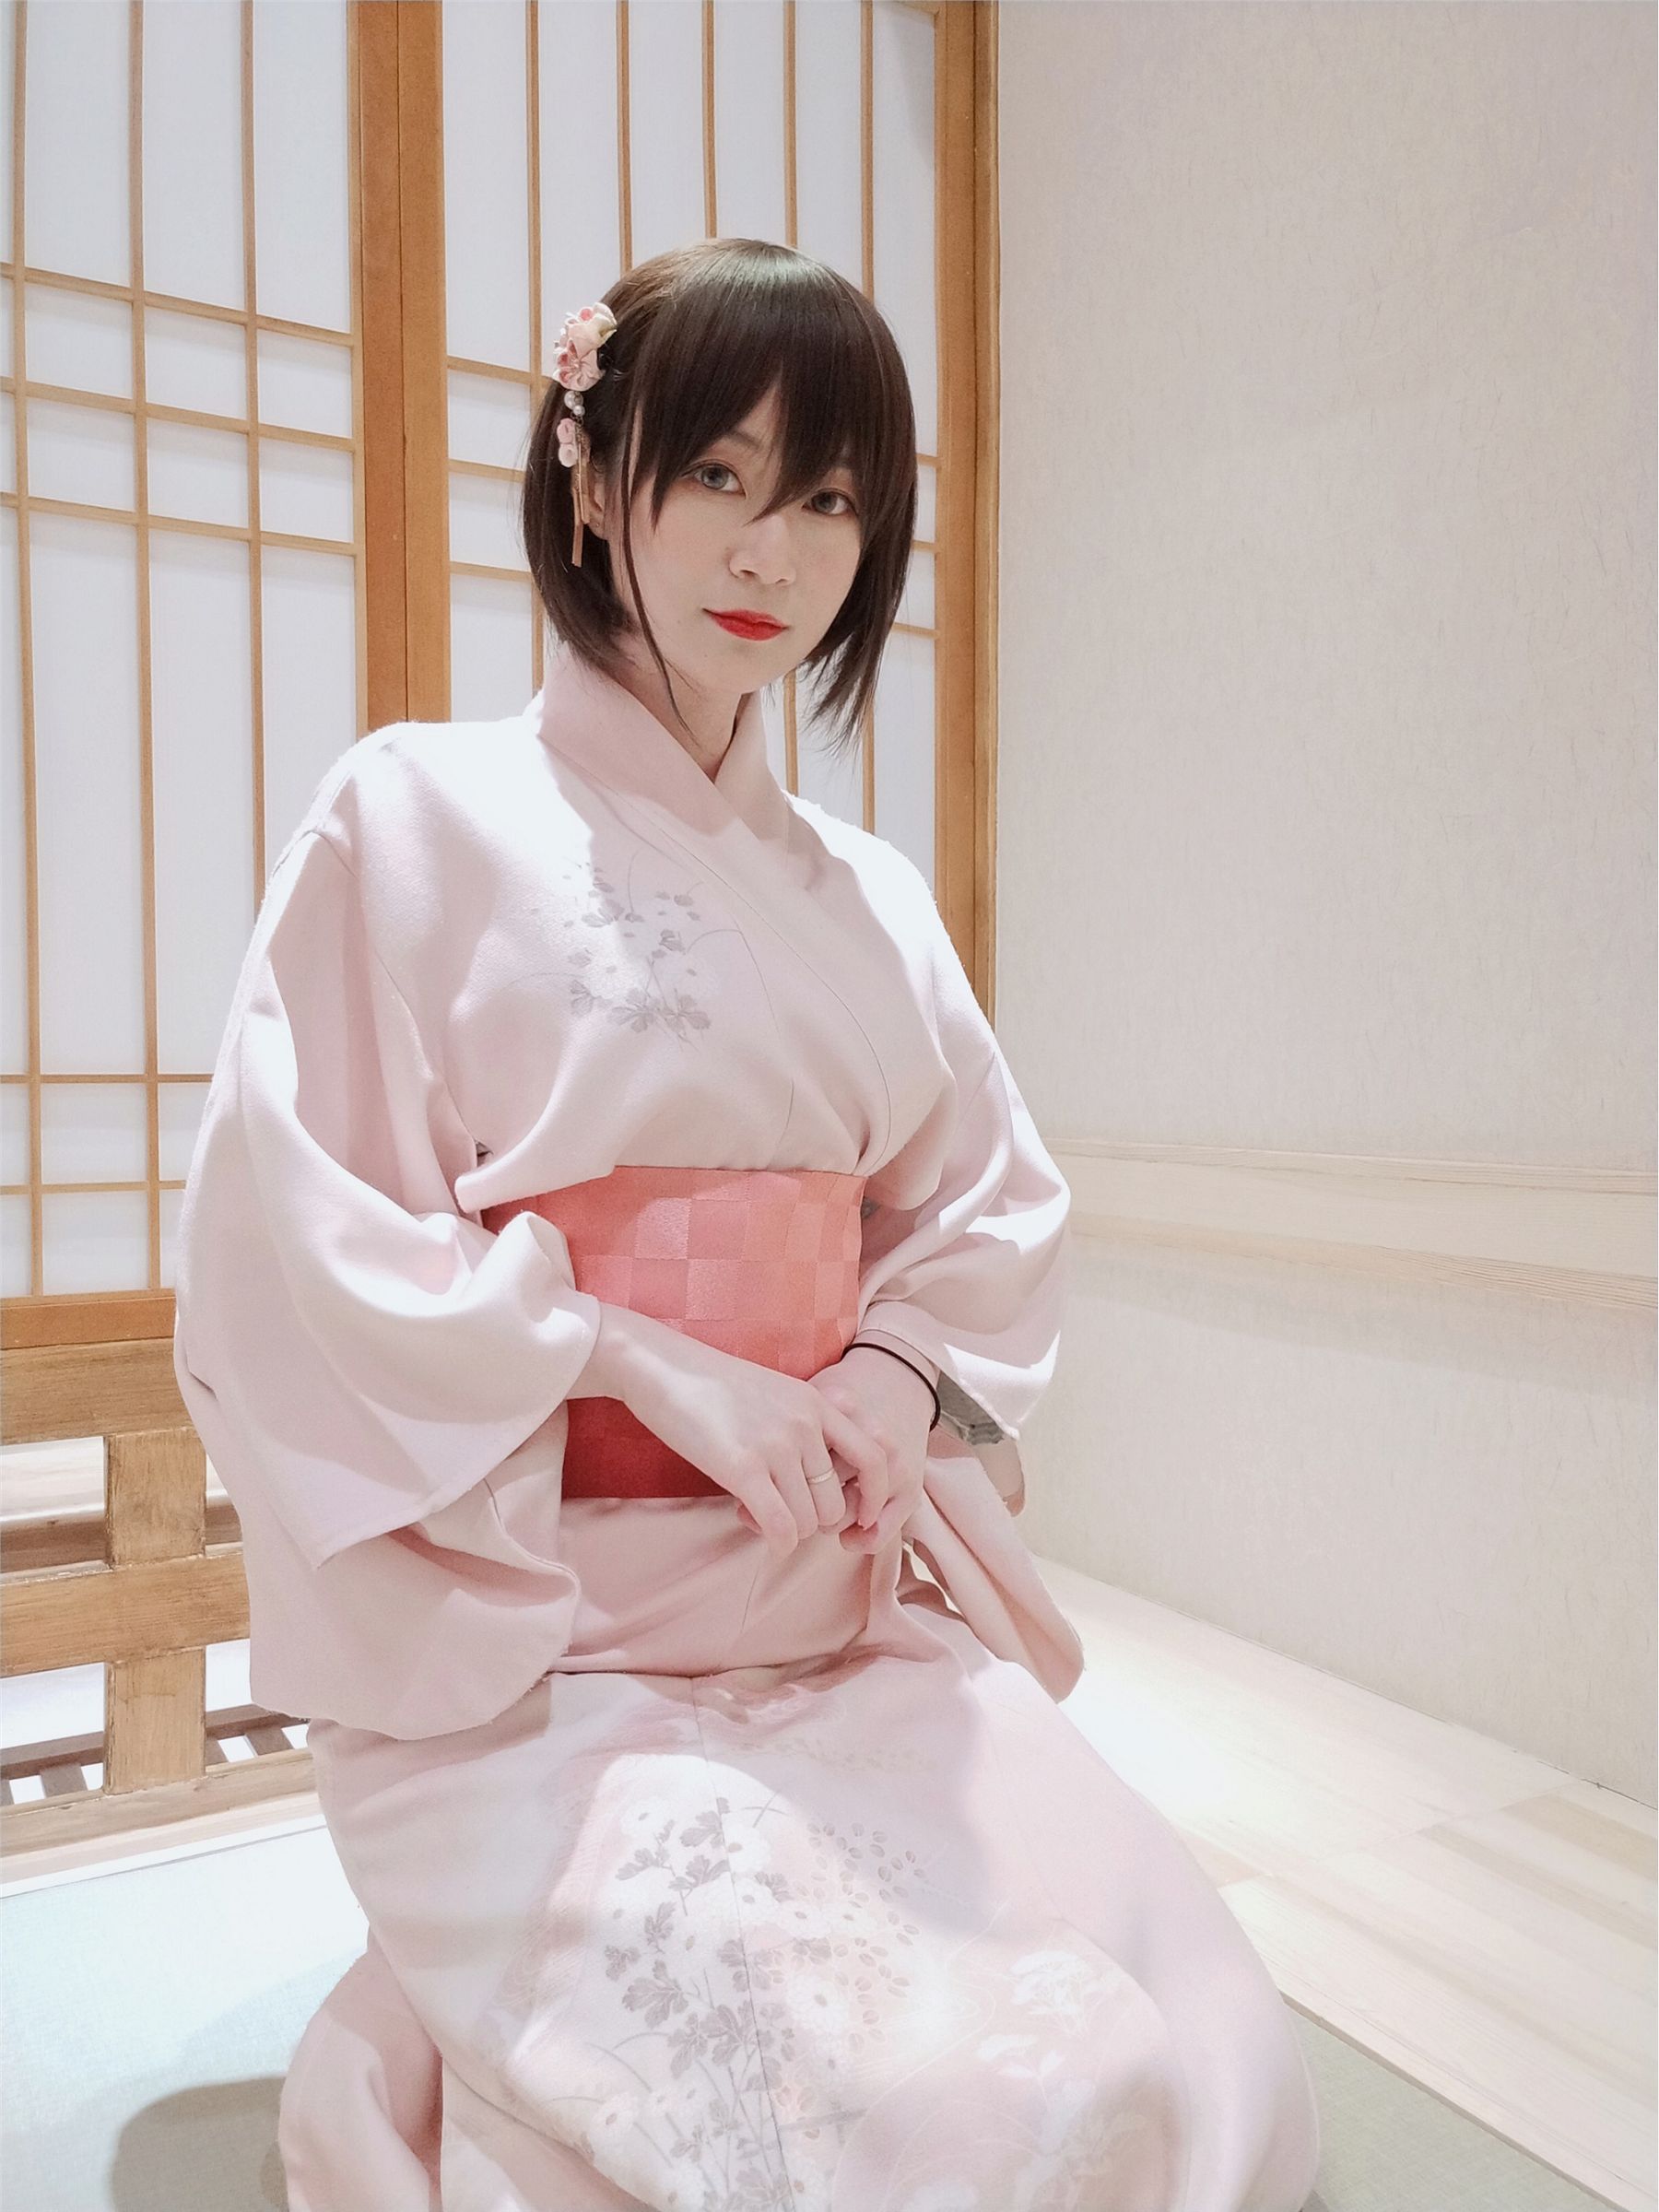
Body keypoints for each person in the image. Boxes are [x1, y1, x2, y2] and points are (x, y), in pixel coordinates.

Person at [171, 237, 1321, 2210]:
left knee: (1186, 2052)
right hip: (548, 1655)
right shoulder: (410, 816)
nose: (770, 550)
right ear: (590, 475)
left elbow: (979, 1204)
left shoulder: (868, 895)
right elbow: (299, 1236)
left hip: (828, 1614)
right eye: (715, 470)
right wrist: (634, 1359)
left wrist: (882, 1374)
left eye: (830, 499)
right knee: (944, 2111)